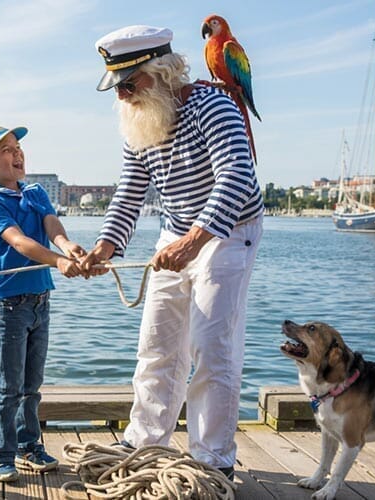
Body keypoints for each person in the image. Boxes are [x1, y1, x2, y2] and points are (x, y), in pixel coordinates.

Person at [80, 25, 264, 480]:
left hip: (228, 231)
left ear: (161, 72)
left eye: (128, 83)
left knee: (212, 347)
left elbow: (237, 175)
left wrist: (196, 240)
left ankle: (212, 458)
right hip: (176, 233)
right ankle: (144, 440)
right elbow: (128, 193)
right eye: (116, 87)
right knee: (157, 344)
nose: (122, 96)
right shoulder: (139, 123)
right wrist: (105, 247)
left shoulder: (213, 105)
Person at [0, 124, 86, 481]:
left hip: (39, 300)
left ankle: (28, 445)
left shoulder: (34, 192)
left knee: (32, 384)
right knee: (10, 385)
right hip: (9, 305)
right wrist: (58, 261)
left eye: (17, 146)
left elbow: (52, 225)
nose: (16, 153)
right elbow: (19, 242)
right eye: (5, 150)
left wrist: (68, 248)